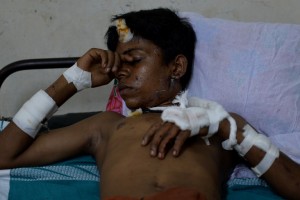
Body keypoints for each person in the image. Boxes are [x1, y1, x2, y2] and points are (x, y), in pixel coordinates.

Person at [0, 8, 299, 200]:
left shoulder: (220, 123)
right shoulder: (108, 127)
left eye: (135, 61)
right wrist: (72, 80)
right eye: (119, 65)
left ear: (176, 67)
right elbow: (5, 155)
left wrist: (223, 126)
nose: (122, 72)